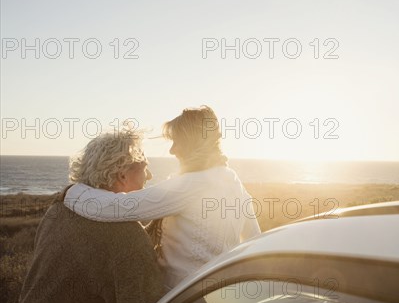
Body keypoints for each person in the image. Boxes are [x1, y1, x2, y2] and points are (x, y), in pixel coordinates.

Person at [0, 130, 163, 303]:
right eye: (145, 166)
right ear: (122, 174)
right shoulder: (124, 233)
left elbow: (88, 261)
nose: (151, 176)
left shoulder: (59, 210)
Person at [63, 106, 261, 289]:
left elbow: (120, 207)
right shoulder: (232, 180)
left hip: (182, 302)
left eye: (177, 142)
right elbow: (255, 241)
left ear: (193, 143)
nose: (172, 150)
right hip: (218, 295)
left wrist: (73, 191)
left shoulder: (192, 185)